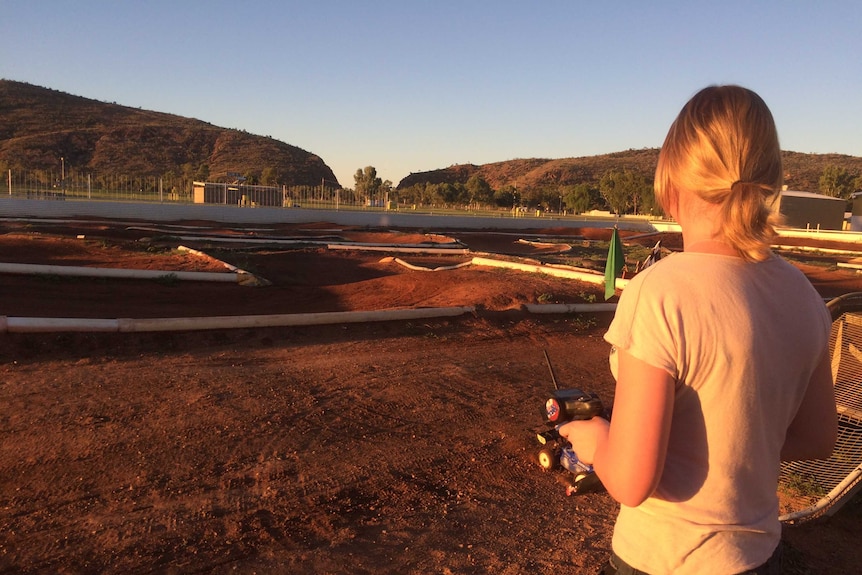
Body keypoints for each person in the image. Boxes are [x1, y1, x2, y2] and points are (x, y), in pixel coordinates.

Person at [559, 85, 837, 575]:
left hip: (661, 560)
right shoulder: (804, 296)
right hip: (758, 557)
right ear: (770, 183)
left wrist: (595, 436)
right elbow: (817, 438)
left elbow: (630, 481)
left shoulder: (658, 293)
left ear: (670, 186)